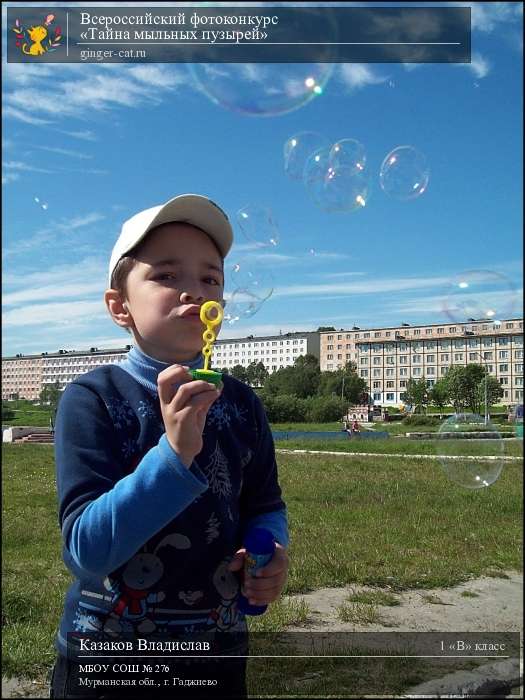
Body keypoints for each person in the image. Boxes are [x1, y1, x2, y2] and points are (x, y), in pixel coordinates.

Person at [50, 194, 289, 698]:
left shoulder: (242, 403)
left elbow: (264, 504)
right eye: (166, 276)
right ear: (120, 307)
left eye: (210, 279)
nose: (192, 292)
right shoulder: (94, 398)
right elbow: (86, 551)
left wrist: (268, 552)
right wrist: (174, 454)